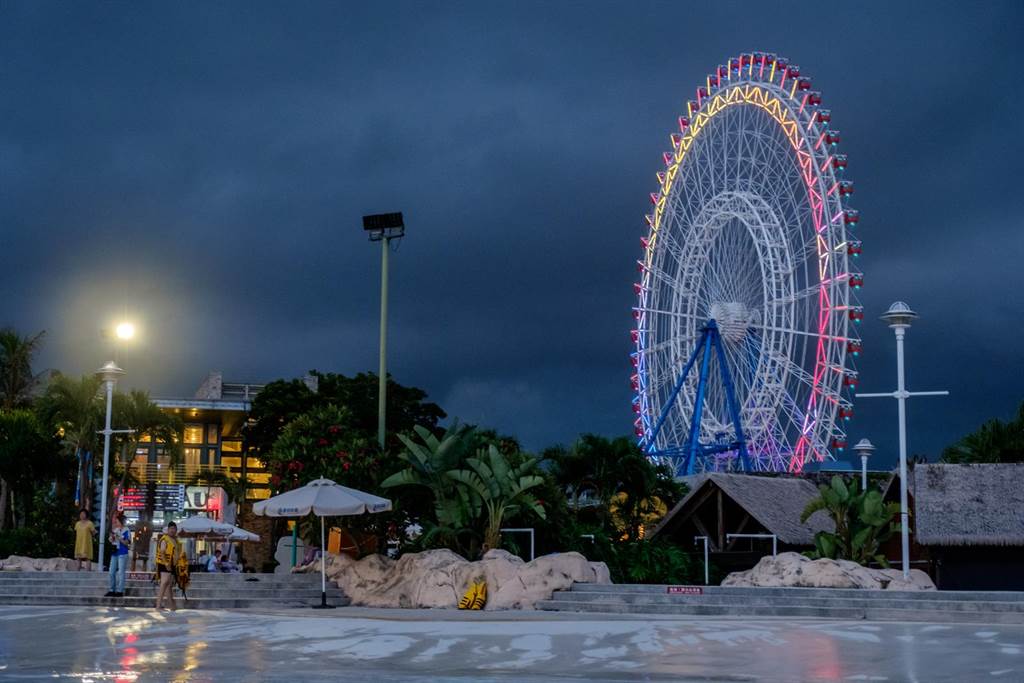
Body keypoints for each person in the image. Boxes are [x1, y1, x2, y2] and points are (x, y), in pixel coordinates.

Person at [155, 521, 183, 611]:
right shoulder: (165, 539)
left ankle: (172, 605)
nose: (173, 530)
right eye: (171, 529)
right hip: (164, 563)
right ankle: (158, 606)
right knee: (164, 583)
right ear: (168, 529)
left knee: (168, 584)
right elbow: (162, 551)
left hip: (172, 564)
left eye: (174, 529)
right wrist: (166, 563)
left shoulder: (175, 540)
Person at [105, 513, 131, 597]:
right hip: (114, 553)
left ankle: (120, 591)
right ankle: (112, 589)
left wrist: (119, 537)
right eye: (115, 521)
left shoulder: (126, 530)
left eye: (117, 521)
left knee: (121, 572)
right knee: (111, 572)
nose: (116, 523)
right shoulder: (115, 530)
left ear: (121, 521)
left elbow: (127, 543)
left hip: (123, 553)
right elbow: (112, 541)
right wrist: (111, 538)